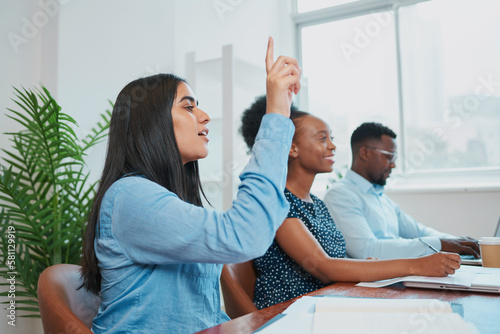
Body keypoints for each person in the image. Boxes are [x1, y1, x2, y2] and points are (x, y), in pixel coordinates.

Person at [80, 38, 301, 333]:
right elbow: (244, 236)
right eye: (188, 107)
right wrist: (276, 115)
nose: (204, 116)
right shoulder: (130, 196)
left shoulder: (167, 200)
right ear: (153, 124)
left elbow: (202, 315)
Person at [239, 97, 461, 310]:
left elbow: (338, 260)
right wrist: (416, 265)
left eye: (332, 137)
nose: (333, 146)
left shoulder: (317, 204)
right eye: (322, 138)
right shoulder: (279, 202)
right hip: (291, 311)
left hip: (329, 302)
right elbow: (324, 267)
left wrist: (372, 266)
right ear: (292, 148)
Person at [323, 122, 480, 260]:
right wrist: (441, 244)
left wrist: (461, 243)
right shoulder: (340, 195)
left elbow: (418, 231)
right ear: (365, 153)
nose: (393, 165)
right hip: (368, 285)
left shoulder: (380, 197)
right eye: (389, 157)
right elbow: (367, 250)